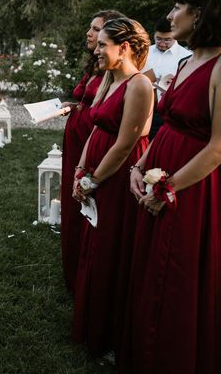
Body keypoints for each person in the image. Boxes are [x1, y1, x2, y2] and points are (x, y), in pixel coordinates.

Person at [122, 0, 221, 374]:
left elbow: (217, 148)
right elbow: (167, 124)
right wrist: (141, 166)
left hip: (191, 188)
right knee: (149, 266)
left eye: (178, 7)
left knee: (176, 273)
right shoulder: (186, 61)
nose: (170, 15)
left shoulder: (218, 68)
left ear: (200, 14)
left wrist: (168, 186)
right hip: (160, 171)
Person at [71, 18, 153, 359]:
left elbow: (125, 143)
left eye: (104, 44)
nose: (97, 50)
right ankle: (91, 325)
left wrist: (94, 180)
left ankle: (111, 334)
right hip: (95, 165)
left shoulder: (139, 85)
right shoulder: (107, 77)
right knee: (93, 244)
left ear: (125, 48)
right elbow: (94, 127)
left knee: (112, 248)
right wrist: (80, 168)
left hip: (118, 173)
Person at [60, 9, 124, 294]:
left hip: (93, 139)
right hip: (78, 141)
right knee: (70, 200)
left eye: (95, 29)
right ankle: (73, 269)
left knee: (86, 203)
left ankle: (84, 274)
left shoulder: (119, 74)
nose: (89, 33)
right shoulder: (94, 64)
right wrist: (75, 108)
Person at [142, 16, 191, 139]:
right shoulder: (144, 52)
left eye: (167, 40)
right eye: (158, 39)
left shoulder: (187, 56)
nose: (162, 43)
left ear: (175, 35)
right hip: (143, 107)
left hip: (169, 111)